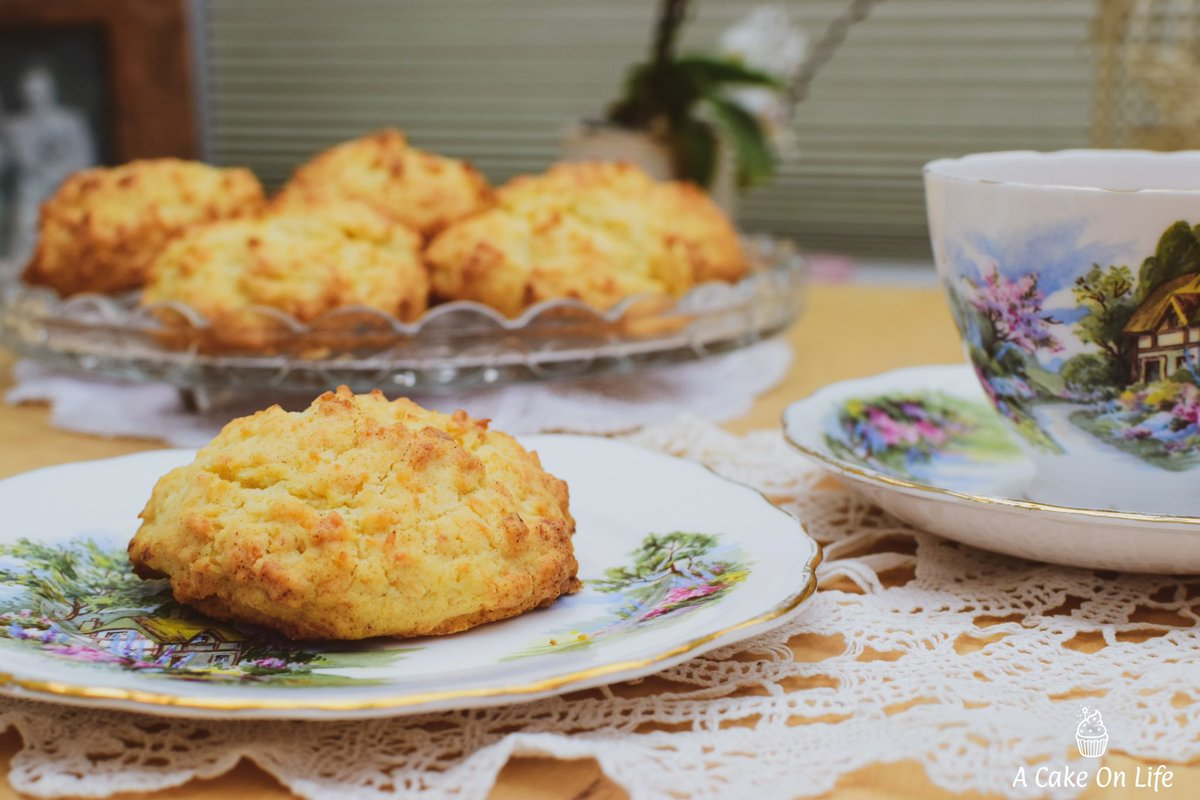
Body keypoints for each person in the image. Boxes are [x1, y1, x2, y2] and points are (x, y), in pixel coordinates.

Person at [4, 66, 96, 262]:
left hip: (62, 189)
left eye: (39, 91)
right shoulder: (15, 128)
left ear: (51, 90)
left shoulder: (69, 122)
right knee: (24, 229)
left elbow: (82, 159)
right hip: (29, 195)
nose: (34, 97)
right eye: (29, 92)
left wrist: (54, 174)